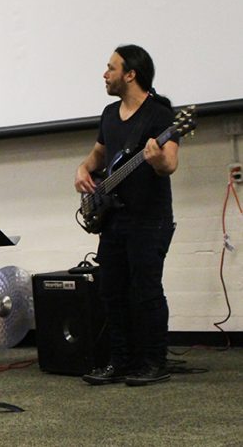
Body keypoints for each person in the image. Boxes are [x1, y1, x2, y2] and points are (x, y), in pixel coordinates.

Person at [74, 45, 179, 387]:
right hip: (115, 220)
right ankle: (120, 361)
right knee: (111, 291)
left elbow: (170, 164)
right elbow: (99, 155)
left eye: (110, 68)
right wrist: (83, 169)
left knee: (146, 290)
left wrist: (155, 159)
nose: (104, 74)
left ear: (130, 73)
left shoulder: (160, 114)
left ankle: (154, 362)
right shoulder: (108, 113)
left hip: (150, 218)